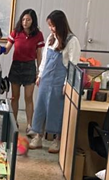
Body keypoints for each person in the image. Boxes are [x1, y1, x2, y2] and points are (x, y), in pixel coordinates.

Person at [29, 10, 80, 153]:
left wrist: (66, 83)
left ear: (60, 24)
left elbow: (73, 65)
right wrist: (40, 75)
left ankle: (56, 140)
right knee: (41, 107)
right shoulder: (51, 38)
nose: (51, 28)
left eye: (53, 25)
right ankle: (38, 136)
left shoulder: (72, 41)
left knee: (57, 109)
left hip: (59, 80)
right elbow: (45, 58)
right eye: (49, 25)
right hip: (46, 78)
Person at [4, 10, 45, 133]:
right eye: (23, 19)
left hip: (30, 67)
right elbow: (7, 49)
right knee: (15, 97)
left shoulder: (38, 35)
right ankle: (14, 123)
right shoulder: (16, 32)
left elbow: (39, 54)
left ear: (33, 21)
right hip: (16, 66)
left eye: (28, 20)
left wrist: (39, 71)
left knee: (28, 97)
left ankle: (29, 125)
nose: (25, 22)